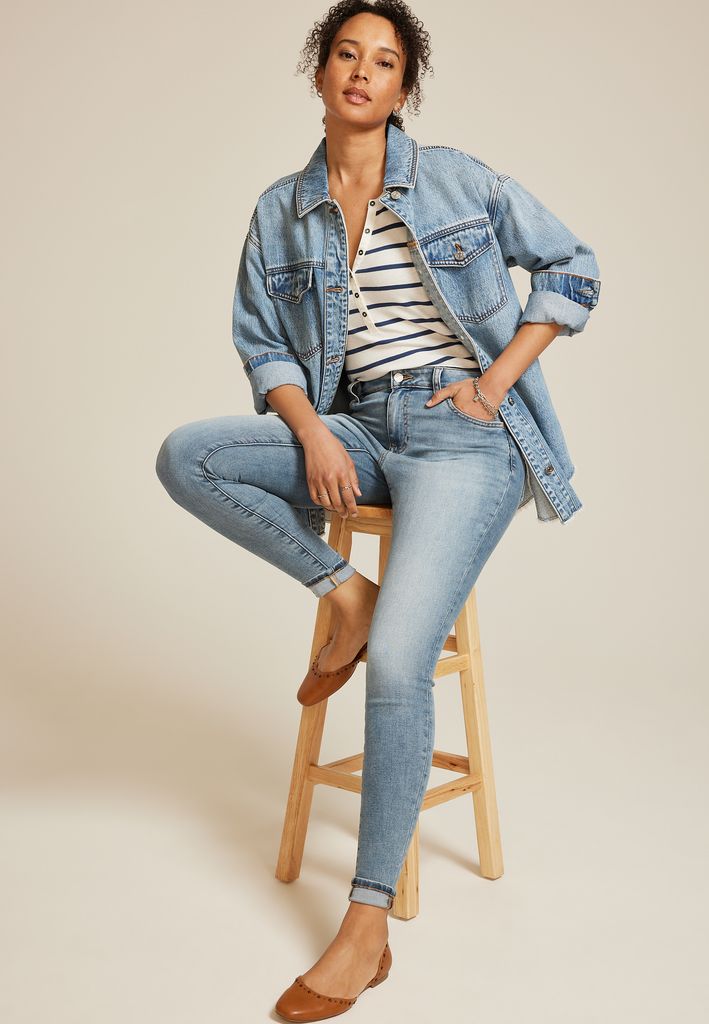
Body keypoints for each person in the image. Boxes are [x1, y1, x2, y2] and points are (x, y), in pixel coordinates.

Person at [155, 1, 601, 1018]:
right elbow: (263, 344)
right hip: (354, 427)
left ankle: (365, 926)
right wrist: (313, 434)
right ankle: (344, 594)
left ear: (404, 87)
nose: (362, 71)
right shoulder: (280, 209)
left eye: (384, 61)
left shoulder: (456, 179)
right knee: (189, 456)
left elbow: (573, 265)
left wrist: (493, 384)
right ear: (320, 73)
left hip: (461, 435)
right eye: (346, 54)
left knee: (403, 660)